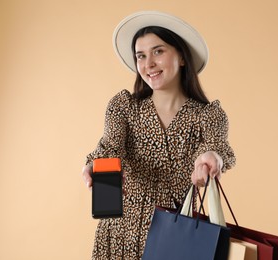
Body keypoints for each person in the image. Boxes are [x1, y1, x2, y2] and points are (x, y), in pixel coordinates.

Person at [82, 11, 236, 259]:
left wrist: (211, 160)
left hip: (173, 239)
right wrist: (93, 166)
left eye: (158, 52)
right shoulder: (124, 108)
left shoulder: (207, 116)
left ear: (182, 57)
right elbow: (110, 148)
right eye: (141, 56)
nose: (148, 64)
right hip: (120, 236)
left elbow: (216, 147)